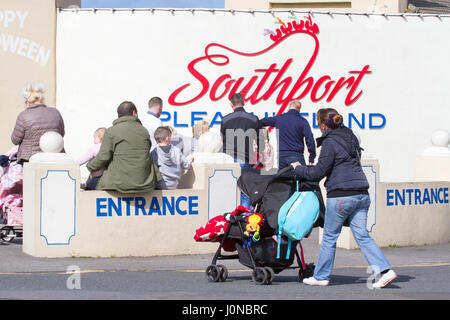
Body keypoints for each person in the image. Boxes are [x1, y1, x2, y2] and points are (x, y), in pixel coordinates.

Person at [291, 108, 397, 288]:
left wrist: (298, 168)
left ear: (323, 125)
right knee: (362, 236)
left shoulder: (330, 143)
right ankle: (385, 271)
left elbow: (319, 172)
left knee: (330, 237)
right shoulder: (351, 138)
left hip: (341, 195)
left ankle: (321, 276)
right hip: (362, 193)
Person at [87, 101, 162, 193]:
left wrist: (90, 166)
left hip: (118, 183)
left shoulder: (111, 131)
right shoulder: (144, 131)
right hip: (145, 182)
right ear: (134, 113)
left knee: (92, 183)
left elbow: (103, 157)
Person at [220, 93, 261, 208]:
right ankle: (244, 218)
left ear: (231, 104)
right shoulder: (253, 119)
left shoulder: (225, 119)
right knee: (244, 191)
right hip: (245, 157)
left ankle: (229, 216)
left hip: (228, 159)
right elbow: (259, 142)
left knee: (228, 190)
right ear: (243, 102)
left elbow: (223, 139)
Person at [11, 82, 65, 164]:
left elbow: (15, 140)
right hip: (54, 158)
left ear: (27, 101)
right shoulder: (56, 113)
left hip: (29, 159)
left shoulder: (23, 115)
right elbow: (61, 134)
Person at [260, 100, 316, 169]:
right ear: (299, 110)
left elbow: (263, 122)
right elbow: (310, 139)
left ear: (289, 107)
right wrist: (311, 157)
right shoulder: (303, 121)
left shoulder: (279, 118)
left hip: (282, 156)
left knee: (283, 178)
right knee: (301, 178)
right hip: (296, 155)